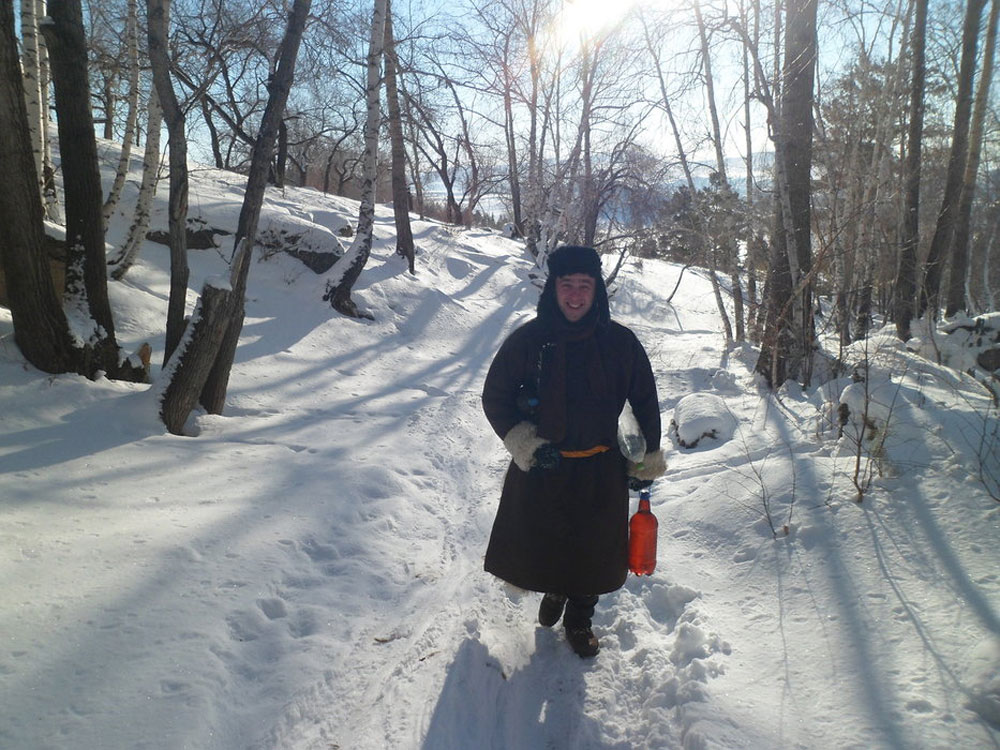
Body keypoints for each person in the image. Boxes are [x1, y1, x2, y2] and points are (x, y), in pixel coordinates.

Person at [481, 244, 665, 658]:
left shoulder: (621, 343)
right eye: (568, 285)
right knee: (548, 544)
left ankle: (580, 619)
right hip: (545, 468)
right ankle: (556, 591)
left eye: (585, 285)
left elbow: (645, 402)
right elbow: (495, 397)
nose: (577, 295)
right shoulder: (529, 341)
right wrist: (525, 445)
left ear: (597, 290)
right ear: (554, 289)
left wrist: (645, 459)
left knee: (593, 553)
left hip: (601, 469)